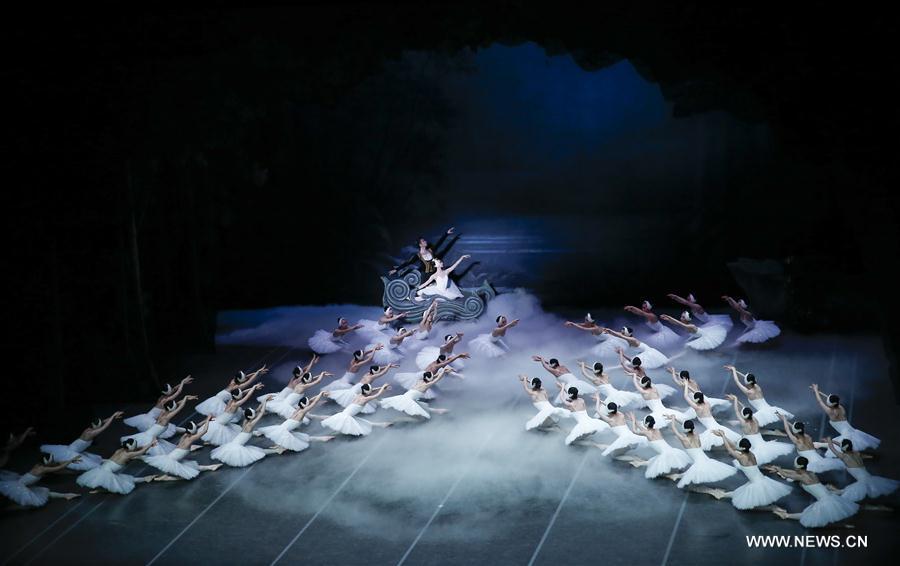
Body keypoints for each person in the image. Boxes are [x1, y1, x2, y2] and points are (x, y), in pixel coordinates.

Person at [693, 431, 792, 510]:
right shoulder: (751, 453)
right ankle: (722, 494)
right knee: (738, 493)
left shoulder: (742, 457)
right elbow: (735, 447)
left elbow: (730, 450)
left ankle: (771, 508)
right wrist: (723, 436)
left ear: (743, 447)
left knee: (749, 505)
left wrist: (723, 436)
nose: (737, 445)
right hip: (761, 479)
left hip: (756, 483)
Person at [765, 457, 859, 528]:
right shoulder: (810, 473)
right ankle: (786, 515)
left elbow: (787, 474)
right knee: (815, 515)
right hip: (829, 496)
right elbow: (794, 473)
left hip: (825, 500)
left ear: (798, 466)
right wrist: (778, 469)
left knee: (813, 516)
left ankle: (786, 515)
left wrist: (779, 469)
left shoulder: (802, 477)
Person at [664, 417, 736, 488]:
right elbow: (692, 432)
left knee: (694, 479)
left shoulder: (684, 439)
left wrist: (673, 418)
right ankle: (679, 476)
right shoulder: (696, 435)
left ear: (685, 429)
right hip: (705, 459)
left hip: (699, 462)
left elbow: (674, 429)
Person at [211, 398, 286, 467]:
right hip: (237, 446)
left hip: (233, 443)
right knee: (258, 452)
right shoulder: (250, 424)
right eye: (253, 413)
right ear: (251, 416)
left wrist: (263, 402)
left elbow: (257, 412)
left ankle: (277, 450)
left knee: (257, 451)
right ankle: (277, 450)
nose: (255, 414)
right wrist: (265, 401)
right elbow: (261, 413)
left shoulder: (245, 421)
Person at [40, 411, 124, 471]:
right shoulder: (91, 433)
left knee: (94, 459)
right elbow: (104, 427)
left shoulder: (89, 428)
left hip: (73, 448)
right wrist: (113, 415)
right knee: (93, 465)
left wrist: (113, 417)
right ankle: (113, 463)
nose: (99, 426)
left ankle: (111, 461)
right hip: (71, 452)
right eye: (99, 425)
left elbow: (102, 422)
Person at [145, 418, 223, 481]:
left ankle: (211, 467)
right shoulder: (191, 439)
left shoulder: (185, 435)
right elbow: (204, 431)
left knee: (191, 467)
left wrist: (206, 420)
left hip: (171, 458)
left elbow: (197, 426)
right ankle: (166, 477)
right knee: (186, 475)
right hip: (172, 461)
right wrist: (208, 419)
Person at [811, 384, 880, 451]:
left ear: (831, 404)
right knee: (840, 444)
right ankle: (819, 445)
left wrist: (816, 390)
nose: (827, 401)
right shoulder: (840, 406)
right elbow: (828, 397)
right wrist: (818, 392)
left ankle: (818, 445)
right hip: (850, 430)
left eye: (828, 402)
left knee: (838, 446)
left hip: (846, 433)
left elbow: (820, 401)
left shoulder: (831, 412)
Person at [257, 392, 335, 452]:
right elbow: (313, 402)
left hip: (282, 428)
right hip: (284, 430)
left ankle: (322, 438)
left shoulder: (298, 410)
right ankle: (279, 447)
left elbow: (311, 401)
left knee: (301, 437)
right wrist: (320, 394)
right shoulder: (302, 412)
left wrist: (319, 395)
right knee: (297, 439)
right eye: (308, 404)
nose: (309, 405)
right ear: (306, 405)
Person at [825, 438, 898, 502]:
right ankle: (831, 489)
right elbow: (842, 445)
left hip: (863, 481)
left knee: (845, 495)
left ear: (843, 447)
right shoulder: (856, 453)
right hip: (870, 478)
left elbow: (832, 449)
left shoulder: (844, 456)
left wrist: (829, 441)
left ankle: (830, 490)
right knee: (845, 492)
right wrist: (832, 441)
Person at [122, 395, 198, 456]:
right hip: (150, 437)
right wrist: (185, 397)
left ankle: (132, 453)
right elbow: (180, 407)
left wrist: (186, 399)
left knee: (141, 446)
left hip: (148, 434)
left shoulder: (163, 412)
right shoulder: (167, 417)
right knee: (163, 454)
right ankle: (133, 455)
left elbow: (177, 404)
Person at [727, 394, 793, 464]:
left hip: (752, 442)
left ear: (743, 415)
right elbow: (744, 408)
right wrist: (736, 400)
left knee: (738, 451)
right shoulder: (755, 419)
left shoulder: (743, 423)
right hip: (759, 440)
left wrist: (735, 399)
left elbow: (737, 411)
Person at [76, 439, 157, 495]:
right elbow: (141, 452)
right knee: (123, 482)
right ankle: (146, 478)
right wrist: (150, 444)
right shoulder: (128, 454)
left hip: (103, 468)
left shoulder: (120, 450)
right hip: (107, 472)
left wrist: (146, 445)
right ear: (131, 447)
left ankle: (146, 478)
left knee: (124, 479)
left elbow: (137, 448)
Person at [625, 414, 692, 479]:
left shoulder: (647, 433)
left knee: (657, 465)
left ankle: (673, 475)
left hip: (665, 454)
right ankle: (640, 463)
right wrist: (635, 420)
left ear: (646, 424)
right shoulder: (657, 430)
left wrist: (633, 421)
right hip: (672, 450)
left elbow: (634, 431)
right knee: (654, 460)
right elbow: (643, 429)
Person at [0, 454, 81, 507]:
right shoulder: (42, 469)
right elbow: (58, 467)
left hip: (25, 484)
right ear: (47, 461)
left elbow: (58, 463)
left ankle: (66, 495)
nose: (53, 461)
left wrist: (71, 461)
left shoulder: (40, 465)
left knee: (44, 492)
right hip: (19, 486)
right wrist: (71, 460)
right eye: (51, 460)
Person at [725, 365, 792, 426]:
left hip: (763, 413)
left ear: (747, 382)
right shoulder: (757, 387)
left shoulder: (749, 392)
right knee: (783, 419)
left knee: (744, 422)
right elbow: (745, 377)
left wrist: (734, 370)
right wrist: (734, 371)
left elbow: (737, 381)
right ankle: (794, 427)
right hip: (770, 409)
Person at [777, 412, 844, 473]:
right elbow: (794, 428)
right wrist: (784, 420)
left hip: (813, 465)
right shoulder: (808, 437)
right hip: (820, 459)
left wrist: (784, 419)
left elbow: (787, 429)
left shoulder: (797, 441)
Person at [122, 376, 193, 432]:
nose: (172, 389)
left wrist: (182, 383)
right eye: (170, 389)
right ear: (167, 392)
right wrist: (182, 382)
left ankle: (185, 430)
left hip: (150, 418)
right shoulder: (165, 400)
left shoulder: (162, 397)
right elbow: (178, 392)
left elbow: (174, 389)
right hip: (150, 421)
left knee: (172, 429)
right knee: (169, 429)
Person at [321, 384, 394, 437]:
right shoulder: (364, 399)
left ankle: (382, 425)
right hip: (346, 416)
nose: (371, 391)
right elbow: (377, 395)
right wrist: (383, 387)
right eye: (370, 390)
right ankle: (330, 436)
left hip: (345, 414)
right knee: (347, 428)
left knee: (362, 423)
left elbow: (373, 390)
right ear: (367, 391)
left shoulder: (360, 395)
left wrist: (382, 387)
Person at [380, 369, 452, 419]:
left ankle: (438, 411)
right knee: (417, 411)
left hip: (405, 396)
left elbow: (434, 377)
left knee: (421, 406)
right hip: (408, 399)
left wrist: (442, 372)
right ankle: (405, 419)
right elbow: (437, 378)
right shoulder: (427, 384)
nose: (432, 378)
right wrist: (443, 372)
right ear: (429, 378)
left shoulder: (420, 381)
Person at [197, 366, 268, 417]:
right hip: (219, 402)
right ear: (241, 380)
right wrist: (257, 372)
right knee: (224, 414)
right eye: (243, 379)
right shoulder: (237, 387)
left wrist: (257, 373)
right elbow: (249, 381)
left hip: (216, 398)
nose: (245, 379)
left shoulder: (233, 381)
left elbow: (246, 377)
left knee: (219, 414)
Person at [330, 364, 397, 414]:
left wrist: (388, 366)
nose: (378, 372)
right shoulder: (372, 377)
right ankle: (341, 412)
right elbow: (383, 372)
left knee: (353, 401)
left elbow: (379, 370)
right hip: (358, 389)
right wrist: (388, 365)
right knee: (354, 401)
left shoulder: (368, 373)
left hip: (358, 386)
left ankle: (341, 411)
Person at [390, 227, 456, 276]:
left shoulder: (430, 250)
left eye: (424, 240)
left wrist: (446, 234)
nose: (425, 241)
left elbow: (439, 243)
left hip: (436, 273)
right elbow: (407, 263)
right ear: (420, 244)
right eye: (423, 241)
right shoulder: (418, 255)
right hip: (427, 275)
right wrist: (396, 269)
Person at [268, 370, 332, 419]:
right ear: (307, 380)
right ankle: (324, 417)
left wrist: (322, 375)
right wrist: (322, 373)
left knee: (305, 409)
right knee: (306, 415)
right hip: (288, 405)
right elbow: (317, 381)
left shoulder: (301, 383)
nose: (311, 380)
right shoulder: (304, 386)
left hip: (291, 402)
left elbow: (312, 379)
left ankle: (323, 416)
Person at [532, 355, 597, 402]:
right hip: (577, 381)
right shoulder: (563, 367)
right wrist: (541, 359)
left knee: (569, 398)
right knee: (576, 395)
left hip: (570, 384)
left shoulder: (555, 371)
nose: (549, 365)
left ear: (554, 364)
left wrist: (542, 358)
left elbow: (545, 366)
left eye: (550, 364)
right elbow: (550, 363)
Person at [601, 327, 668, 369]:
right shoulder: (628, 337)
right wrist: (609, 332)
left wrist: (610, 331)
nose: (622, 333)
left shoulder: (632, 339)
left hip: (648, 353)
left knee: (630, 364)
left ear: (627, 334)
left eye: (623, 332)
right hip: (642, 353)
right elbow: (619, 334)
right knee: (632, 364)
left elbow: (620, 336)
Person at [659, 312, 727, 351]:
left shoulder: (691, 326)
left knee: (708, 347)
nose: (680, 318)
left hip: (704, 336)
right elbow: (675, 323)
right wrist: (667, 319)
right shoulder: (685, 324)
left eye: (682, 317)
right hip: (696, 336)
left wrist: (669, 316)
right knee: (687, 344)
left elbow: (680, 324)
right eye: (681, 316)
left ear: (686, 319)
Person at [667, 293, 733, 329]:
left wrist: (675, 297)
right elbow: (685, 302)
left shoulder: (697, 306)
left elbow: (685, 302)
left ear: (695, 300)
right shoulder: (692, 307)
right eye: (688, 298)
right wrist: (675, 297)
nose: (688, 300)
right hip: (706, 322)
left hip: (712, 322)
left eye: (689, 298)